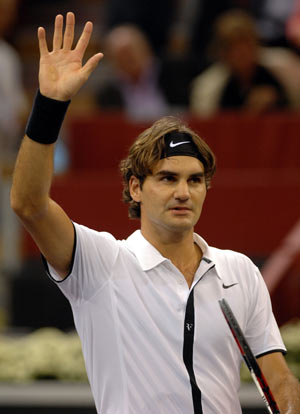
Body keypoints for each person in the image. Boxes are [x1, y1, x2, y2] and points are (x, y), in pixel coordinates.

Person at [10, 12, 300, 414]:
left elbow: (280, 381)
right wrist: (49, 105)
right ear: (135, 188)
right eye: (166, 178)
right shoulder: (101, 263)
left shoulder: (239, 272)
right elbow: (28, 204)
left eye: (195, 180)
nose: (183, 192)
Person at [190, 9, 292, 117]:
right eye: (233, 46)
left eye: (246, 43)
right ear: (222, 52)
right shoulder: (208, 87)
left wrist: (278, 99)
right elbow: (205, 126)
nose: (241, 52)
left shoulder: (285, 68)